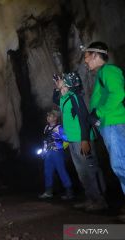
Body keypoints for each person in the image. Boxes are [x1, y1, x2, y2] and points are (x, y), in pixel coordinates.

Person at [53, 72, 108, 211]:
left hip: (81, 139)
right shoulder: (64, 98)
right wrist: (56, 88)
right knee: (82, 171)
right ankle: (91, 198)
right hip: (72, 140)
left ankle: (100, 201)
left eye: (62, 81)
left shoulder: (74, 97)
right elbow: (55, 99)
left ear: (68, 84)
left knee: (90, 169)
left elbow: (83, 118)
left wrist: (84, 139)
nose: (60, 82)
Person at [83, 41, 125, 219]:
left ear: (95, 55)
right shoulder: (102, 73)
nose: (85, 61)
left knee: (121, 165)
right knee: (120, 165)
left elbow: (118, 93)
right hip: (110, 125)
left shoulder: (108, 71)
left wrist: (98, 112)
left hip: (114, 124)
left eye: (86, 56)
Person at [38, 110, 74, 200]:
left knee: (61, 171)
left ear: (55, 118)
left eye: (50, 116)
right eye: (48, 116)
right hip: (48, 154)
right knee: (47, 172)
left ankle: (69, 192)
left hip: (57, 153)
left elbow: (67, 140)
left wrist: (60, 147)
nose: (48, 118)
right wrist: (43, 151)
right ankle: (48, 192)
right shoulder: (46, 128)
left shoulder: (60, 128)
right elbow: (45, 141)